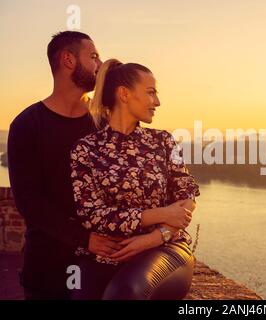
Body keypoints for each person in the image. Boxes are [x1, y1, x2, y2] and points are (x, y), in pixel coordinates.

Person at [7, 31, 125, 299]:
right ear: (68, 60)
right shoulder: (27, 125)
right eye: (93, 56)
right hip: (47, 269)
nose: (100, 63)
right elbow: (29, 202)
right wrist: (86, 239)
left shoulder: (106, 124)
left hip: (104, 268)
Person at [69, 58, 200, 300]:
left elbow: (187, 198)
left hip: (165, 248)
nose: (157, 102)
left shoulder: (163, 141)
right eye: (150, 93)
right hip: (106, 253)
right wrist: (160, 214)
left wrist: (152, 237)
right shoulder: (86, 149)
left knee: (125, 293)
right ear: (124, 94)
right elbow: (92, 214)